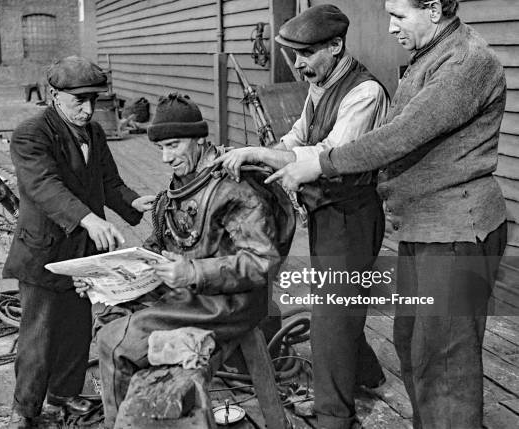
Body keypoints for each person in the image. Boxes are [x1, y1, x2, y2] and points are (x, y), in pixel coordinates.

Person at [263, 1, 508, 428]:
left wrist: (321, 163)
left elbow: (399, 136)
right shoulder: (430, 56)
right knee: (414, 345)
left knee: (444, 364)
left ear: (433, 9)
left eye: (398, 15)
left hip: (456, 231)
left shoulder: (467, 63)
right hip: (424, 228)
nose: (390, 27)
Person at [215, 5, 389, 428]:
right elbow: (298, 135)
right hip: (326, 213)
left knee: (332, 316)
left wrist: (259, 153)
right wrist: (260, 155)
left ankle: (334, 416)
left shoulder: (364, 93)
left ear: (335, 45)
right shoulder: (322, 82)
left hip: (351, 214)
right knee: (340, 306)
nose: (298, 65)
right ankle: (366, 376)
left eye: (306, 54)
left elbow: (326, 155)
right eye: (294, 55)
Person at [86, 93, 295, 428]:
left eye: (174, 146)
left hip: (230, 302)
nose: (167, 158)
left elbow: (262, 262)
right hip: (193, 292)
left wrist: (191, 271)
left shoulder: (234, 189)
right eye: (162, 149)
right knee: (110, 312)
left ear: (199, 140)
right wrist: (107, 277)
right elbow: (159, 244)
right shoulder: (182, 185)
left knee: (118, 340)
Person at [2, 56, 156, 428]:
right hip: (43, 252)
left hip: (81, 255)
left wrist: (134, 202)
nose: (88, 110)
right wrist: (88, 219)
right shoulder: (30, 133)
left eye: (94, 101)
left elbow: (109, 182)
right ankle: (25, 413)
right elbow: (44, 186)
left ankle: (65, 395)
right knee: (39, 335)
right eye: (79, 102)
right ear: (54, 96)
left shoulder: (95, 132)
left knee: (75, 328)